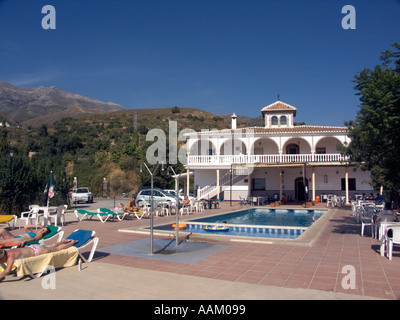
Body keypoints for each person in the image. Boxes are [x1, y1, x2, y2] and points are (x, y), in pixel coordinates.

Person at [0, 238, 78, 280]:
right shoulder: (8, 251)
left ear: (3, 257)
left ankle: (71, 243)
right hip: (33, 247)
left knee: (56, 249)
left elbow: (7, 270)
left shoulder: (10, 257)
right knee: (51, 247)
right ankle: (62, 241)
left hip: (38, 251)